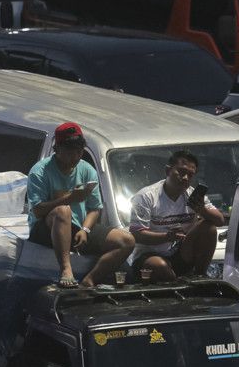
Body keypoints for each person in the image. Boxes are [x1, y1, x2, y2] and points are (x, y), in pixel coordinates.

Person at [26, 122, 134, 287]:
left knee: (126, 240)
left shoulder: (87, 170)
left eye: (79, 151)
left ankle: (90, 279)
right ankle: (66, 269)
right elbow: (38, 211)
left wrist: (85, 229)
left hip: (78, 227)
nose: (75, 157)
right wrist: (70, 198)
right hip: (46, 229)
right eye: (70, 152)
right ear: (57, 149)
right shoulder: (40, 171)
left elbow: (95, 208)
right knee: (63, 211)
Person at [127, 150, 226, 282]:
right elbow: (137, 235)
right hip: (149, 256)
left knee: (209, 227)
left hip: (181, 253)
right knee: (160, 266)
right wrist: (168, 236)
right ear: (168, 171)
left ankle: (200, 276)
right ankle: (178, 284)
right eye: (181, 172)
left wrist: (202, 210)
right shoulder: (146, 196)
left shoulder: (193, 195)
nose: (185, 178)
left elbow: (219, 221)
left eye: (190, 175)